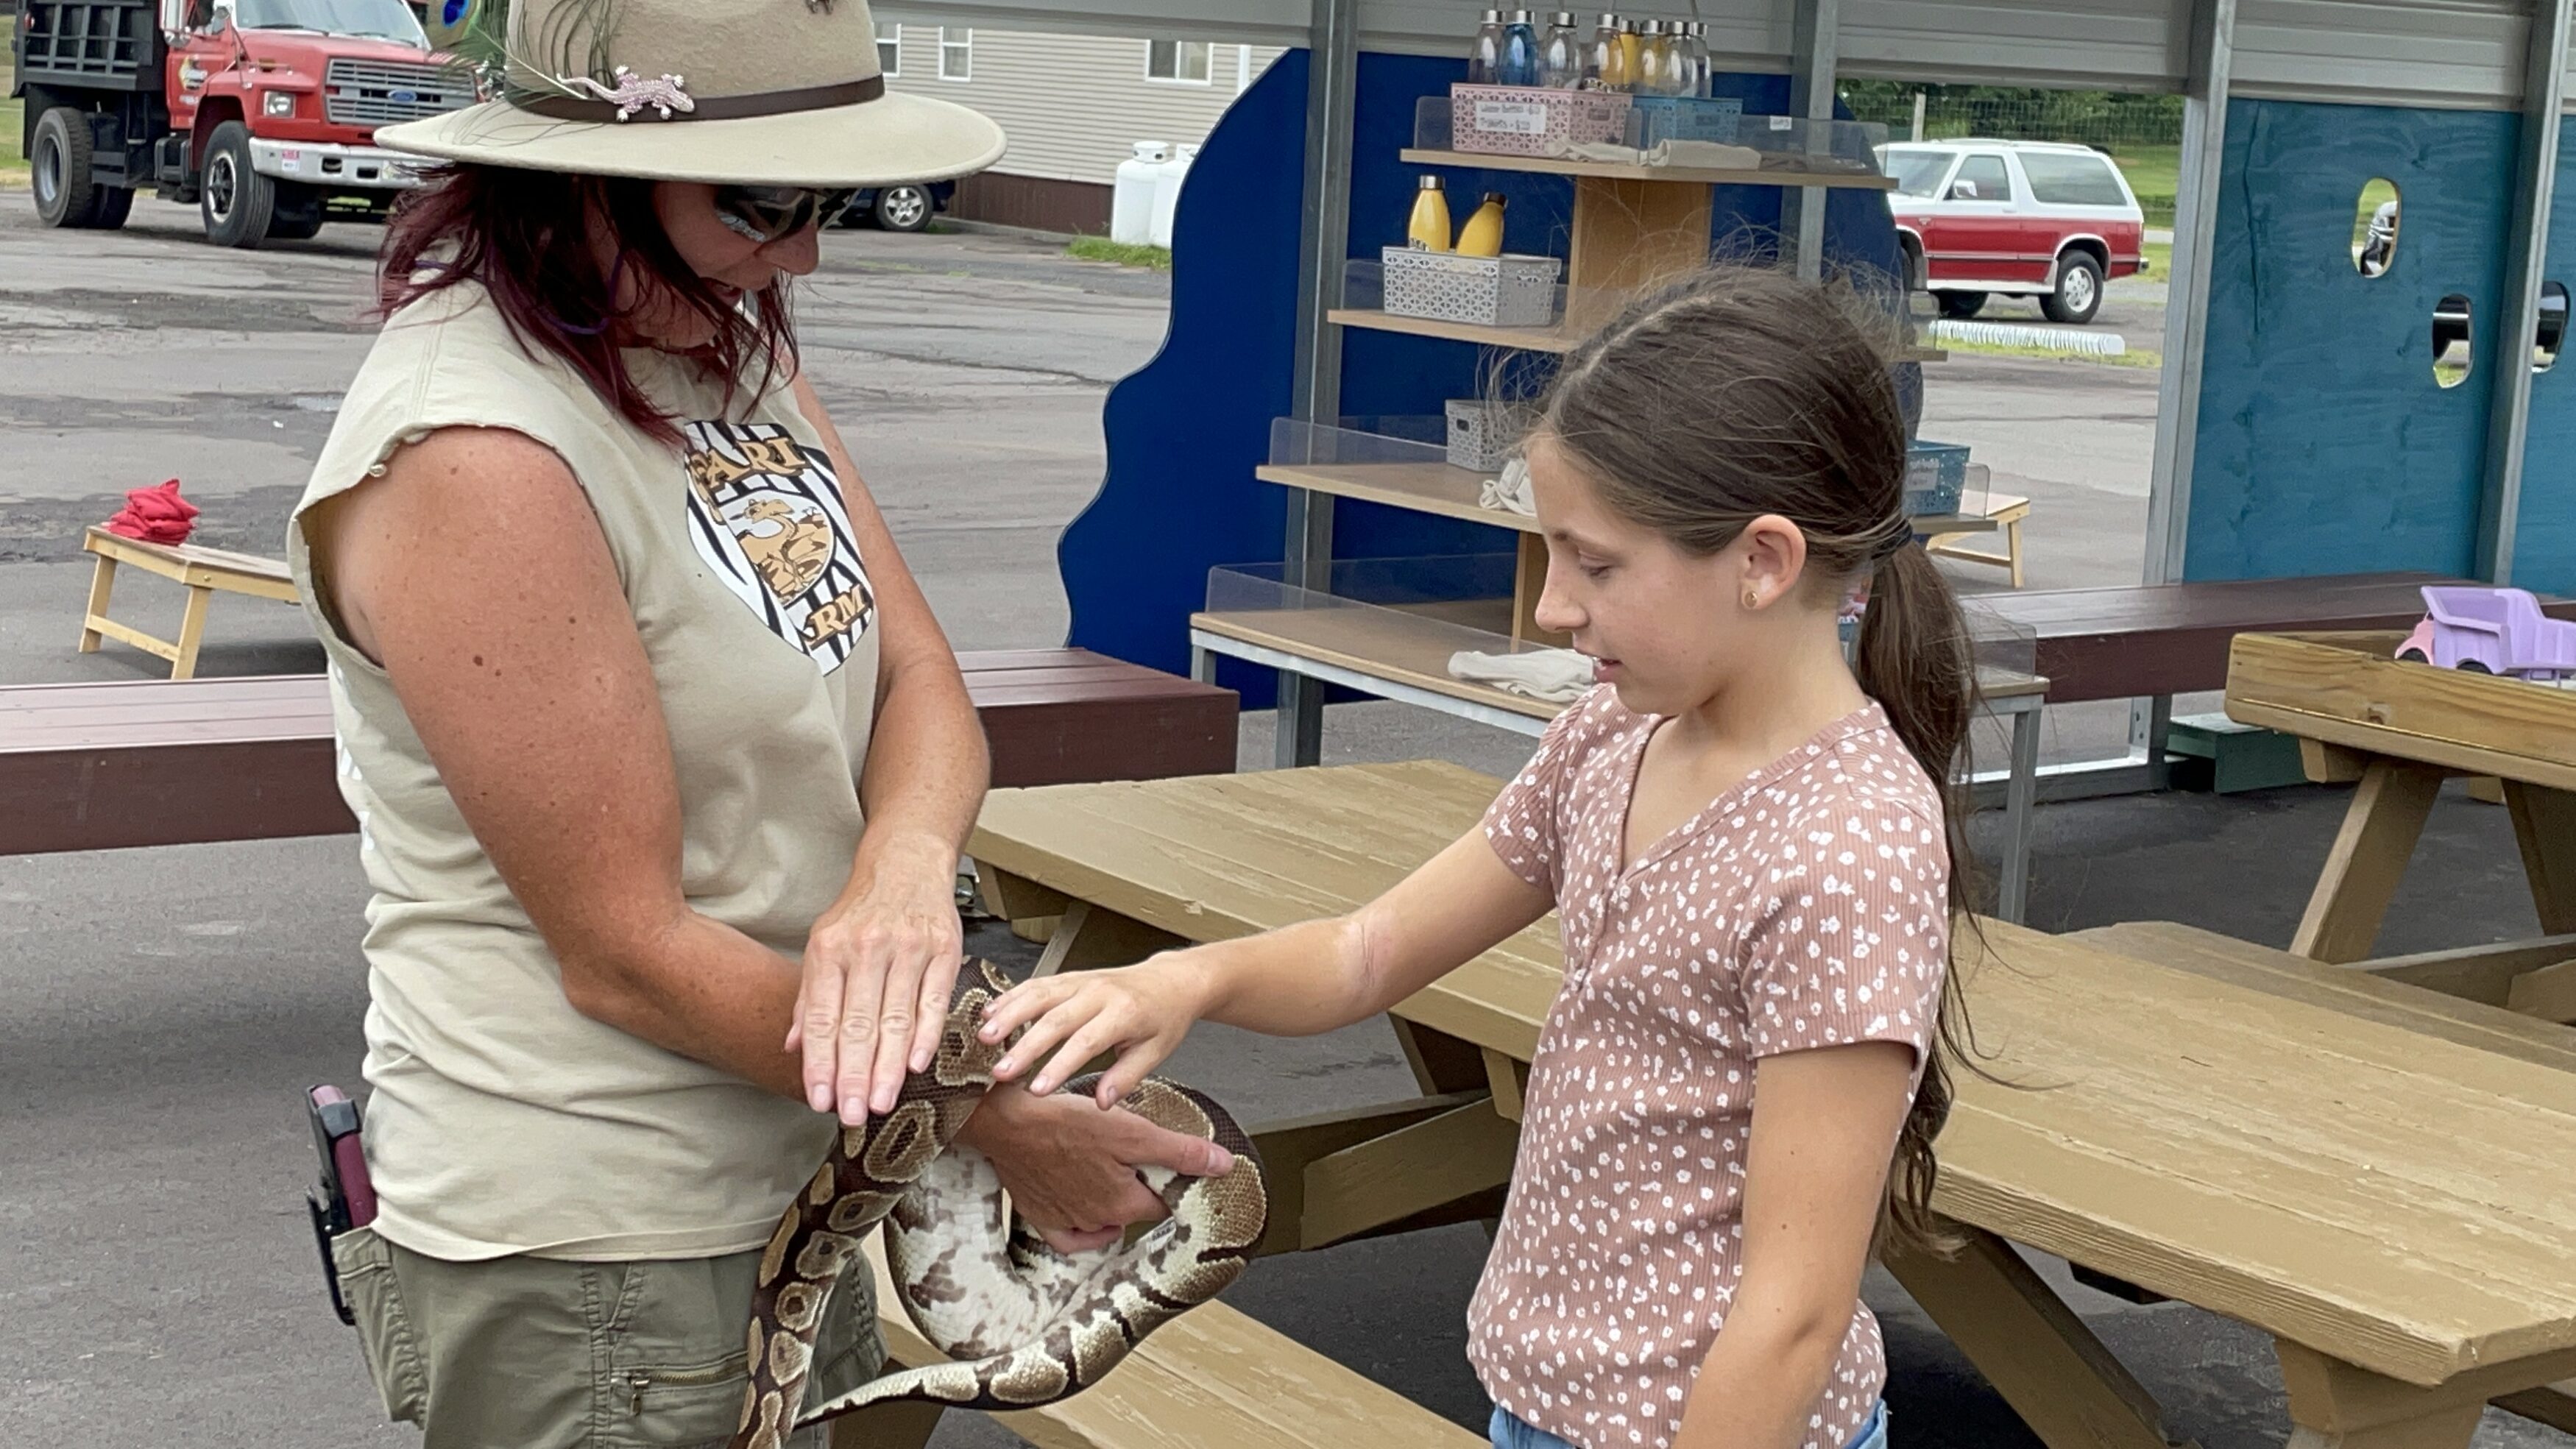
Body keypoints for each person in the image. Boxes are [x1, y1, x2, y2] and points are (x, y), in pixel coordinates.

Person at [289, 1, 1228, 1443]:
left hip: (804, 1165)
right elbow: (627, 954)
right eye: (765, 198)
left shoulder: (722, 351)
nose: (802, 249)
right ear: (571, 182)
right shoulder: (477, 455)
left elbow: (920, 683)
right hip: (604, 1249)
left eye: (827, 194)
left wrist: (903, 879)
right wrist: (982, 1108)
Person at [980, 267, 1978, 1449]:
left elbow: (1794, 1317)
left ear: (1762, 561)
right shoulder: (1615, 734)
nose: (1553, 608)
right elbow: (1368, 952)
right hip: (1545, 1402)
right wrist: (1182, 979)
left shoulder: (1847, 851)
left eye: (1595, 564)